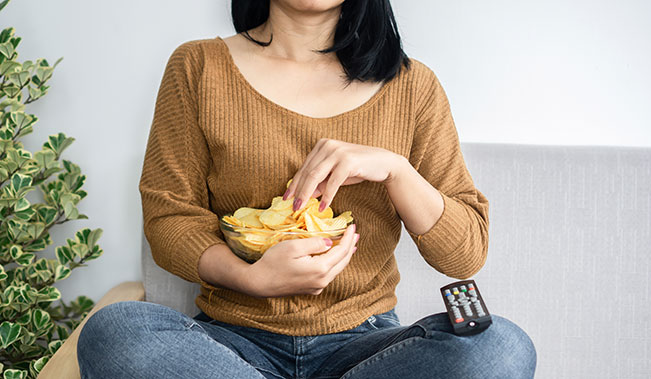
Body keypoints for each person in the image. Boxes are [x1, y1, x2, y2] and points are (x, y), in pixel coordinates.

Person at [77, 0, 537, 377]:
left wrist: (396, 170)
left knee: (501, 349)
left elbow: (464, 255)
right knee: (114, 332)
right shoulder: (197, 66)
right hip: (231, 344)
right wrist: (251, 278)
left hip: (368, 345)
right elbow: (169, 218)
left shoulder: (413, 86)